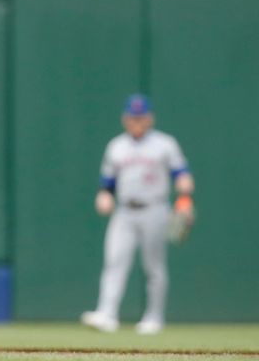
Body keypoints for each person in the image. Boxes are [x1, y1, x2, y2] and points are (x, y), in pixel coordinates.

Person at [81, 94, 195, 335]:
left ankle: (154, 317)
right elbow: (108, 183)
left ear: (150, 118)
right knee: (114, 261)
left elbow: (182, 174)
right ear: (125, 119)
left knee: (154, 266)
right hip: (124, 211)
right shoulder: (116, 146)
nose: (137, 122)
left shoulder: (165, 144)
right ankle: (107, 314)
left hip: (154, 209)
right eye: (133, 118)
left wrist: (184, 196)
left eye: (141, 117)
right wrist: (104, 195)